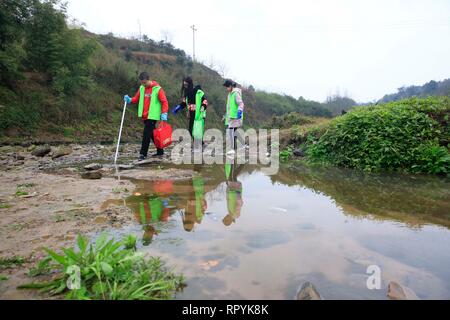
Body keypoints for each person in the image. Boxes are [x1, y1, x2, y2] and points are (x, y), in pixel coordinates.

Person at [124, 72, 169, 160]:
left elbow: (164, 101)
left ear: (149, 80)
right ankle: (160, 151)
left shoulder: (157, 89)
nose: (143, 85)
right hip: (145, 116)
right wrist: (129, 99)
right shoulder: (142, 88)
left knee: (146, 134)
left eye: (145, 83)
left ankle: (143, 154)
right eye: (142, 83)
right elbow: (136, 99)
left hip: (152, 116)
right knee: (153, 134)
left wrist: (164, 113)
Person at [223, 79, 246, 155]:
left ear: (230, 86)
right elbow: (229, 107)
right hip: (231, 116)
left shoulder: (235, 94)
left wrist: (239, 111)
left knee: (231, 131)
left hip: (235, 116)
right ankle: (243, 145)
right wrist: (225, 116)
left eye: (227, 87)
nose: (226, 89)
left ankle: (232, 149)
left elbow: (241, 104)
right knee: (234, 132)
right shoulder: (230, 94)